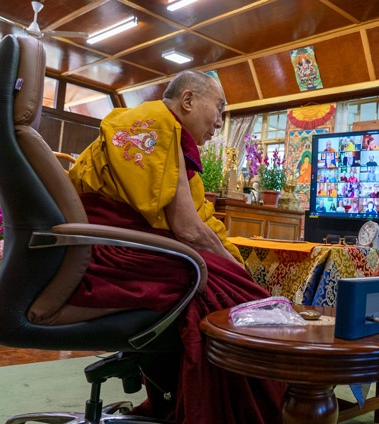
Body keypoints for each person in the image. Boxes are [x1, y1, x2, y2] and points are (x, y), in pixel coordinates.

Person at [67, 70, 284, 423]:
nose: (218, 124)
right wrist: (236, 270)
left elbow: (201, 224)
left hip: (111, 247)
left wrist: (232, 261)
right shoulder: (156, 125)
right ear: (187, 101)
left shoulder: (167, 136)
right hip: (109, 255)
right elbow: (189, 230)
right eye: (219, 108)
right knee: (231, 298)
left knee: (234, 284)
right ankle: (232, 412)